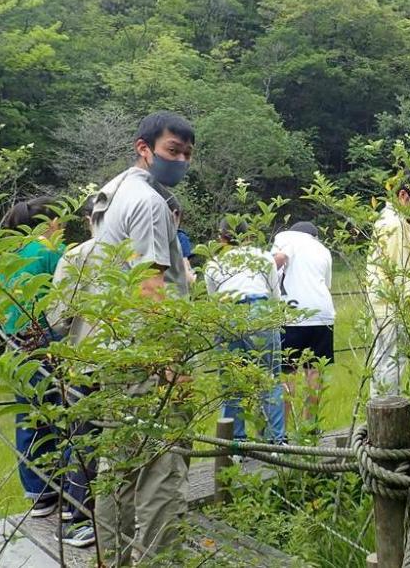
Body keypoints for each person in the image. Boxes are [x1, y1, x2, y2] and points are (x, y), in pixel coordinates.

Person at [91, 111, 194, 565]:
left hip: (113, 348)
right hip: (148, 358)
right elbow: (149, 287)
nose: (181, 161)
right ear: (144, 147)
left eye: (188, 154)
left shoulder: (112, 194)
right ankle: (160, 560)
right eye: (173, 151)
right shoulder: (151, 204)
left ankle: (113, 558)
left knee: (119, 465)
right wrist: (170, 362)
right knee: (160, 470)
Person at [0, 197, 66, 520]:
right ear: (50, 224)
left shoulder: (12, 254)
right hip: (43, 337)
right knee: (57, 411)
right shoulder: (50, 250)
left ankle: (37, 493)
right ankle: (64, 487)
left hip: (13, 339)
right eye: (61, 223)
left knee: (27, 414)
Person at [45, 197, 103, 547]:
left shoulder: (77, 255)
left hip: (85, 362)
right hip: (137, 365)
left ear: (88, 219)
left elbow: (57, 317)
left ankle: (80, 518)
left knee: (84, 440)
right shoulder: (145, 253)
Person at [206, 219, 286, 444]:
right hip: (260, 310)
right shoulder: (262, 257)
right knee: (269, 379)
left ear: (221, 237)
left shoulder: (214, 263)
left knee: (231, 383)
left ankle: (235, 443)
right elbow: (274, 294)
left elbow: (214, 300)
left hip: (228, 313)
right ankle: (276, 441)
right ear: (248, 235)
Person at [364, 173, 410, 396]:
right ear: (403, 195)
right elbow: (402, 274)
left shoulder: (385, 218)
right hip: (393, 304)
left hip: (380, 301)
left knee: (381, 360)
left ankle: (377, 415)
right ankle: (390, 415)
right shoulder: (396, 224)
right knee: (394, 361)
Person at [272, 221, 334, 427]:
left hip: (293, 314)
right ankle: (311, 428)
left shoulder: (285, 238)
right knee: (314, 370)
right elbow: (326, 284)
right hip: (322, 314)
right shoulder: (323, 250)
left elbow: (276, 262)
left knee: (287, 371)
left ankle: (283, 431)